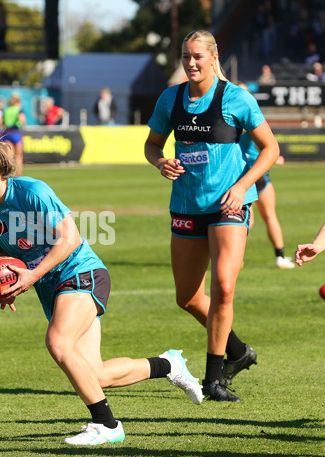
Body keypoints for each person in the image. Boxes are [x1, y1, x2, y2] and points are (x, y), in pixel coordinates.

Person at [0, 124, 203, 446]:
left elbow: (70, 239)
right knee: (95, 374)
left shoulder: (32, 192)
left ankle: (107, 424)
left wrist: (32, 274)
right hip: (52, 287)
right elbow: (8, 261)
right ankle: (168, 364)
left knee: (59, 343)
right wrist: (10, 284)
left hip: (81, 272)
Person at [144, 30, 280, 402]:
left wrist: (242, 186)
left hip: (229, 206)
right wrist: (160, 162)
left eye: (197, 57)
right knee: (187, 298)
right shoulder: (171, 98)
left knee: (224, 287)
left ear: (213, 57)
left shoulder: (236, 97)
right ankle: (237, 351)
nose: (191, 63)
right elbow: (152, 144)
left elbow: (270, 148)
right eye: (186, 56)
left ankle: (214, 379)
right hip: (187, 206)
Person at [237, 101, 294, 269]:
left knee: (247, 219)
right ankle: (280, 257)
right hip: (258, 175)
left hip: (242, 175)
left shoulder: (232, 128)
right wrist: (278, 159)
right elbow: (269, 150)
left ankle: (235, 256)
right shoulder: (253, 126)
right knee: (269, 216)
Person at [2, 92, 25, 175]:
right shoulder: (19, 109)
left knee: (9, 157)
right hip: (15, 132)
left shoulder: (6, 109)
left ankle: (10, 174)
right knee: (18, 156)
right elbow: (21, 119)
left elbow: (2, 122)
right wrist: (23, 125)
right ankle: (18, 175)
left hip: (7, 133)